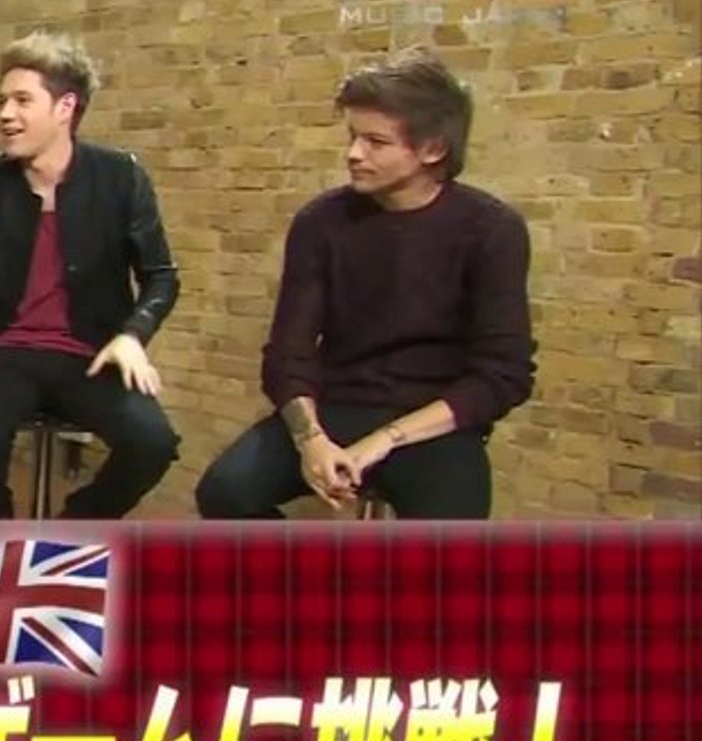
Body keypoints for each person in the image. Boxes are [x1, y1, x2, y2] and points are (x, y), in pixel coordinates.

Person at [197, 48, 535, 519]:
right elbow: (288, 354)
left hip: (434, 422)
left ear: (433, 149)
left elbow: (503, 375)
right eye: (353, 137)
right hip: (336, 406)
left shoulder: (492, 230)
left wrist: (386, 439)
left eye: (376, 141)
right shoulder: (321, 222)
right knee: (225, 493)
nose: (354, 154)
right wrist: (311, 439)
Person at [0, 31, 182, 519]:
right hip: (5, 350)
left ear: (65, 107)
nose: (5, 114)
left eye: (22, 100)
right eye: (2, 101)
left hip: (91, 352)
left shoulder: (120, 177)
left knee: (153, 443)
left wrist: (133, 334)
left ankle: (73, 530)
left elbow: (161, 276)